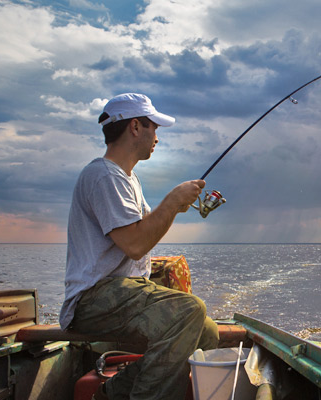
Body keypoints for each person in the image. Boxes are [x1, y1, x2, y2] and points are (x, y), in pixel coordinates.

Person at [59, 93, 219, 400]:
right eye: (153, 127)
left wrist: (175, 207)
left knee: (206, 332)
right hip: (93, 298)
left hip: (119, 292)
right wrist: (172, 201)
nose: (157, 136)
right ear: (135, 127)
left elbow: (144, 229)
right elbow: (135, 244)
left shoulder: (127, 178)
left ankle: (113, 393)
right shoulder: (104, 176)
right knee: (188, 310)